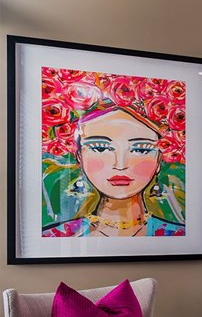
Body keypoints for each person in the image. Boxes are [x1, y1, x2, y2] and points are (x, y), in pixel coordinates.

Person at [41, 69, 186, 237]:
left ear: (160, 158)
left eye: (140, 149)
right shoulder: (54, 237)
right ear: (79, 156)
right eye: (100, 148)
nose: (120, 165)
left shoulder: (179, 236)